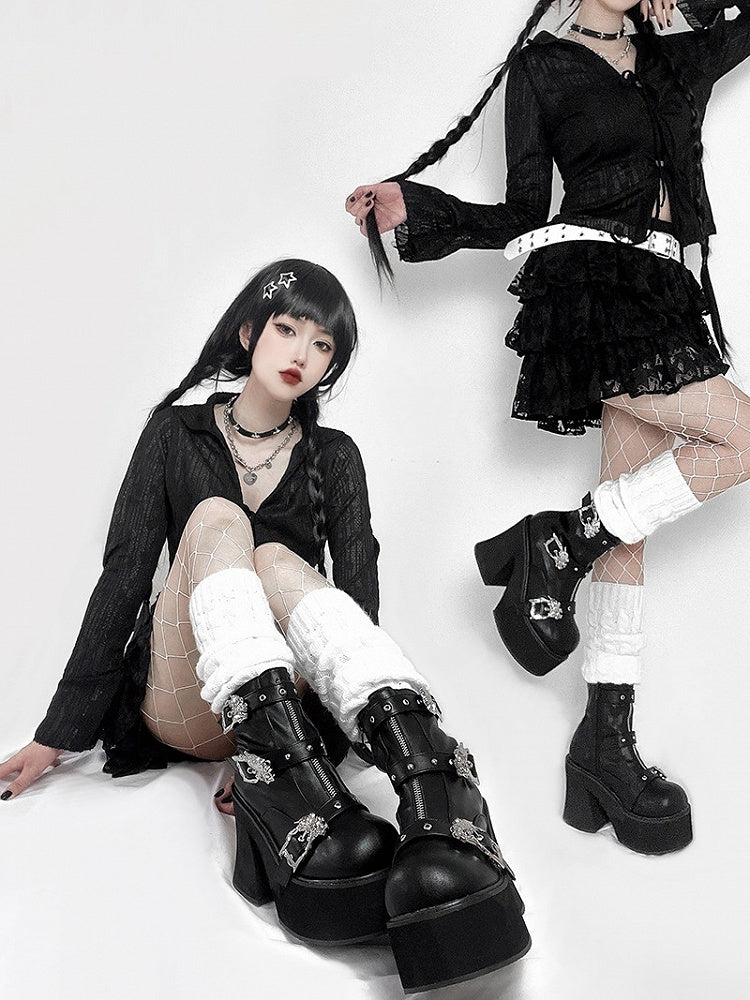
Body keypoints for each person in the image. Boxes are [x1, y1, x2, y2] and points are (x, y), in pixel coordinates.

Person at [0, 258, 529, 991]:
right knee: (222, 521)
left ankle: (428, 785)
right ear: (249, 333)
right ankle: (285, 763)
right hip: (184, 697)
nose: (300, 354)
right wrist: (58, 733)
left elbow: (358, 608)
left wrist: (322, 746)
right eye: (287, 329)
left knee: (279, 560)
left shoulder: (334, 457)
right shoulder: (176, 434)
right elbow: (125, 576)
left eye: (323, 344)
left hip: (294, 713)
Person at [346, 1, 750, 855]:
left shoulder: (673, 54)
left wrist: (690, 11)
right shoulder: (541, 69)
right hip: (593, 278)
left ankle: (604, 744)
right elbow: (522, 206)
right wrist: (418, 208)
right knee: (741, 438)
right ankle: (560, 543)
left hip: (667, 286)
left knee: (628, 527)